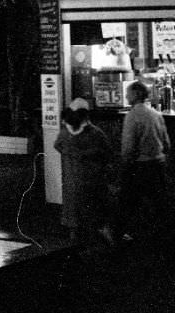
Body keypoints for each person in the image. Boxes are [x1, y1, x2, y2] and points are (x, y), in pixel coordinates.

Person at [114, 80, 171, 245]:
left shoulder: (132, 116)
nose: (125, 96)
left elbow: (128, 147)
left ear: (136, 95)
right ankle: (163, 237)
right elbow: (166, 143)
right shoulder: (156, 114)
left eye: (128, 93)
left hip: (140, 165)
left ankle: (118, 234)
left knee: (127, 201)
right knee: (160, 202)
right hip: (158, 164)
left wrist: (125, 166)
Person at [54, 105, 113, 245]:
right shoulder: (95, 133)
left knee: (73, 215)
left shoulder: (64, 134)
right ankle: (101, 244)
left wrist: (69, 154)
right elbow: (107, 151)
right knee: (94, 213)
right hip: (92, 179)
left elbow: (57, 145)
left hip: (71, 180)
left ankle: (73, 245)